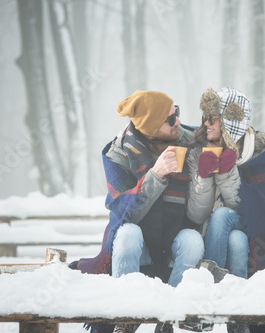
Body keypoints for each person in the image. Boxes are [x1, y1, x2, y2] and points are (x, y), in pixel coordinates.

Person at [71, 90, 204, 333]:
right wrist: (156, 175)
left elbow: (221, 140)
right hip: (136, 246)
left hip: (173, 240)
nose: (178, 122)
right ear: (151, 128)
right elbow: (124, 214)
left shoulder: (188, 141)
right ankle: (125, 316)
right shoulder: (119, 153)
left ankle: (168, 316)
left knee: (193, 240)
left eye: (178, 113)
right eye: (170, 120)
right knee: (129, 232)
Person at [186, 87, 265, 333]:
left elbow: (255, 207)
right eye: (205, 115)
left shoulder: (259, 153)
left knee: (224, 217)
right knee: (237, 240)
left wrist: (227, 171)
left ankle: (209, 294)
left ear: (231, 123)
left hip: (254, 225)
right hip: (215, 232)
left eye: (214, 117)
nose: (207, 122)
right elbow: (196, 215)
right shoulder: (198, 148)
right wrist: (205, 176)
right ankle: (237, 321)